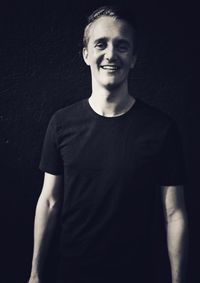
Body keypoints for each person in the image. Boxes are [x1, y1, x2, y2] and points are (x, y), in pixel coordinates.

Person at [28, 6, 188, 283]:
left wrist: (179, 280)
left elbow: (174, 214)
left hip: (138, 274)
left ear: (134, 58)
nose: (111, 54)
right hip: (71, 273)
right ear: (86, 53)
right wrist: (35, 274)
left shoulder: (161, 129)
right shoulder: (61, 123)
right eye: (101, 44)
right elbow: (50, 201)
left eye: (122, 46)